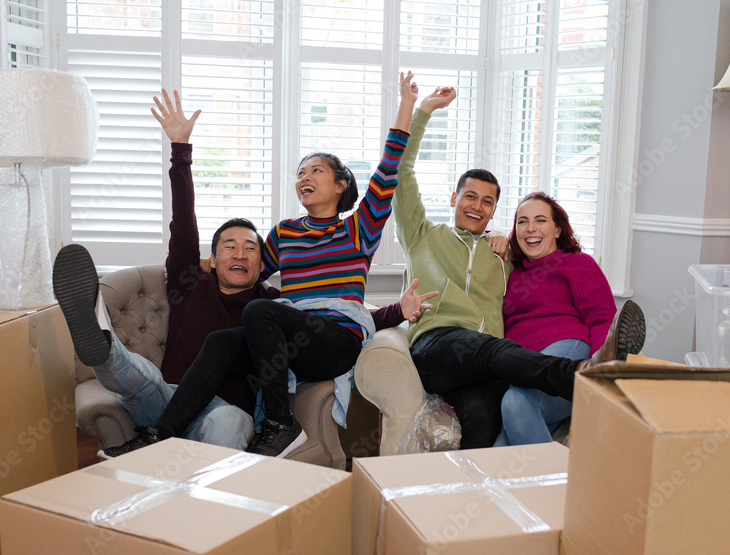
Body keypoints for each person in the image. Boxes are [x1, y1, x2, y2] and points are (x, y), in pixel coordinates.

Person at [53, 88, 430, 457]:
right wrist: (203, 264)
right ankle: (159, 433)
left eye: (316, 170)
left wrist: (408, 106)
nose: (305, 177)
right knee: (222, 340)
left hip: (336, 341)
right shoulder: (284, 233)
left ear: (341, 185)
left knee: (258, 311)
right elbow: (245, 271)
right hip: (293, 339)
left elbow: (387, 173)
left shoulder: (358, 229)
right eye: (300, 173)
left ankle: (282, 426)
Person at [393, 85, 646, 449]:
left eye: (488, 202)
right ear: (453, 198)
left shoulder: (506, 260)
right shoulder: (422, 235)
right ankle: (583, 375)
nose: (477, 207)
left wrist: (502, 247)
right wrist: (421, 111)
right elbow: (400, 172)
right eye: (469, 196)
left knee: (486, 424)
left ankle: (479, 498)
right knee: (491, 351)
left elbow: (598, 314)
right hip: (442, 346)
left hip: (491, 369)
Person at [492, 192, 617, 446]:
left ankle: (551, 484)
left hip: (567, 355)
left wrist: (598, 374)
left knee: (515, 401)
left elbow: (603, 318)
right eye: (522, 222)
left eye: (540, 220)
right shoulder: (509, 272)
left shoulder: (577, 263)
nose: (530, 229)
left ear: (558, 229)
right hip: (524, 370)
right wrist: (491, 237)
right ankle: (558, 483)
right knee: (500, 449)